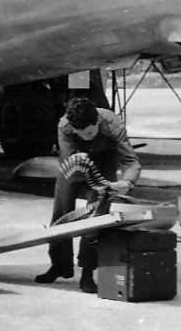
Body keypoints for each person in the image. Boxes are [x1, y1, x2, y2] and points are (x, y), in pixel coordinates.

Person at [36, 97, 142, 293]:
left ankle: (87, 271)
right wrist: (81, 163)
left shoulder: (112, 124)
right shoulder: (65, 125)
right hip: (74, 164)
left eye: (91, 132)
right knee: (61, 215)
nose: (88, 137)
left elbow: (130, 160)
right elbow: (69, 160)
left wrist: (127, 182)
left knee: (96, 220)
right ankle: (59, 265)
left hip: (104, 163)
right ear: (73, 129)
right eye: (82, 134)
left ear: (97, 123)